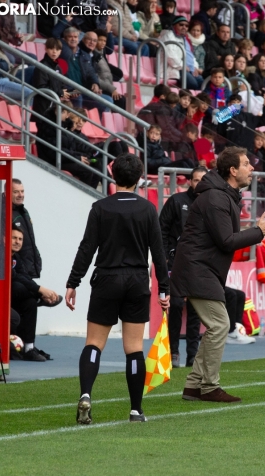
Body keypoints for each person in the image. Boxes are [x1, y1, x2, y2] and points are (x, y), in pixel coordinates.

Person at [170, 147, 265, 403]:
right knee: (220, 325)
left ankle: (194, 385)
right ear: (233, 171)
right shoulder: (216, 198)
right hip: (196, 271)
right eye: (246, 164)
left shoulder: (223, 196)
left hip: (200, 270)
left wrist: (256, 230)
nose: (251, 168)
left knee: (217, 325)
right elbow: (226, 240)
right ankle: (208, 386)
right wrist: (258, 231)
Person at [65, 153, 171, 424]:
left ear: (113, 175)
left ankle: (86, 394)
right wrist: (164, 290)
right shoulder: (147, 209)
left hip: (107, 278)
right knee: (134, 348)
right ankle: (136, 410)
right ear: (139, 178)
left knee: (94, 343)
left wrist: (73, 282)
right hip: (136, 280)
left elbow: (86, 248)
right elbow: (159, 254)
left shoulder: (100, 208)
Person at [160, 167, 208, 367]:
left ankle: (192, 355)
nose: (199, 184)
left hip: (199, 264)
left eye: (203, 181)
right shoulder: (176, 202)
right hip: (175, 263)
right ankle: (173, 352)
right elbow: (161, 230)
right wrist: (162, 258)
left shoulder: (210, 204)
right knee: (177, 305)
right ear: (190, 181)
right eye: (196, 180)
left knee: (196, 309)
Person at [10, 226, 62, 362]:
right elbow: (16, 278)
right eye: (14, 238)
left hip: (14, 299)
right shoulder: (1, 256)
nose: (17, 241)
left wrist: (40, 291)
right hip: (0, 299)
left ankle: (28, 348)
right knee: (17, 286)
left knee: (30, 302)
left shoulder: (17, 258)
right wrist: (40, 291)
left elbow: (25, 277)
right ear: (5, 239)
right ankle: (40, 299)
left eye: (20, 239)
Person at [9, 179, 43, 279]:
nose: (20, 195)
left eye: (22, 191)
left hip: (27, 268)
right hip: (16, 271)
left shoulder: (23, 211)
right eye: (16, 192)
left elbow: (30, 240)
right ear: (7, 192)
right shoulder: (3, 212)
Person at [159, 17, 203, 90]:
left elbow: (189, 55)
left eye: (186, 26)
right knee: (193, 84)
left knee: (203, 82)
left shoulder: (183, 38)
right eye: (181, 25)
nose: (184, 27)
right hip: (173, 68)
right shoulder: (168, 36)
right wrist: (183, 66)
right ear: (174, 25)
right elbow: (170, 57)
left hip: (184, 68)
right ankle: (188, 100)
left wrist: (195, 66)